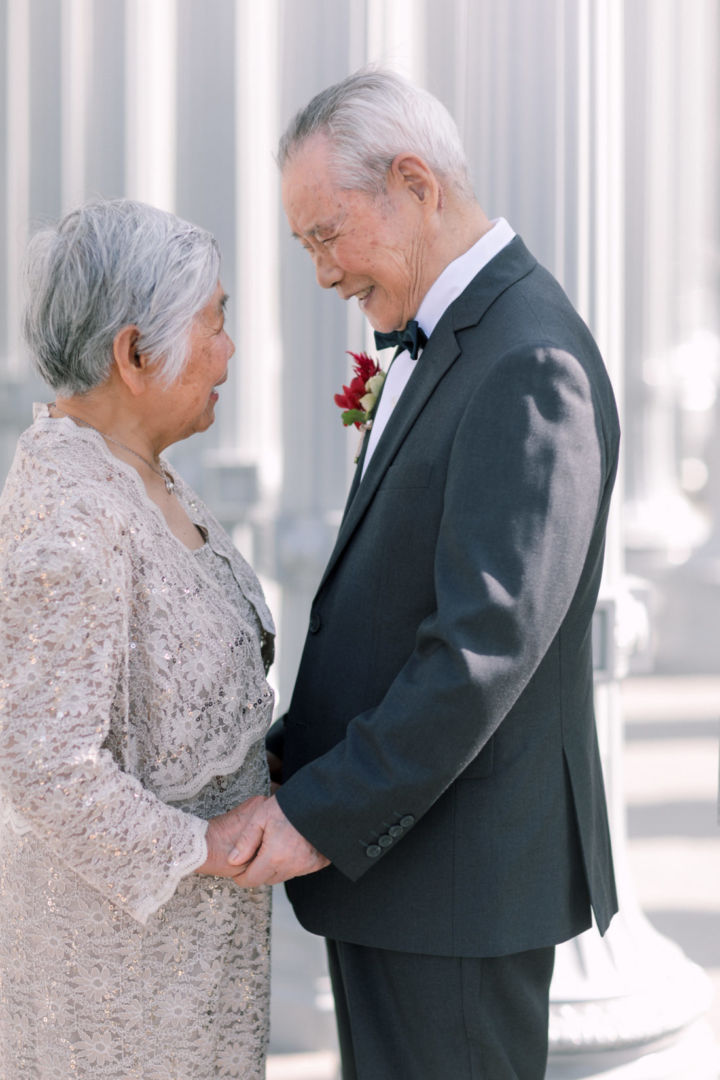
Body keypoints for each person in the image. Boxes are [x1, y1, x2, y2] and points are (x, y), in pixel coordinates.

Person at [230, 68, 620, 1078]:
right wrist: (289, 755)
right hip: (406, 876)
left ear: (415, 183)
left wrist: (316, 814)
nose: (322, 273)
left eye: (327, 234)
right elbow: (394, 602)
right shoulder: (455, 340)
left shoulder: (530, 362)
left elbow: (481, 650)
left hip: (456, 889)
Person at [0, 198, 277, 1080]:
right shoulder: (71, 514)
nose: (229, 351)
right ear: (132, 352)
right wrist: (199, 848)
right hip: (123, 985)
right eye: (216, 322)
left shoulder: (144, 473)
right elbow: (44, 761)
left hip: (195, 970)